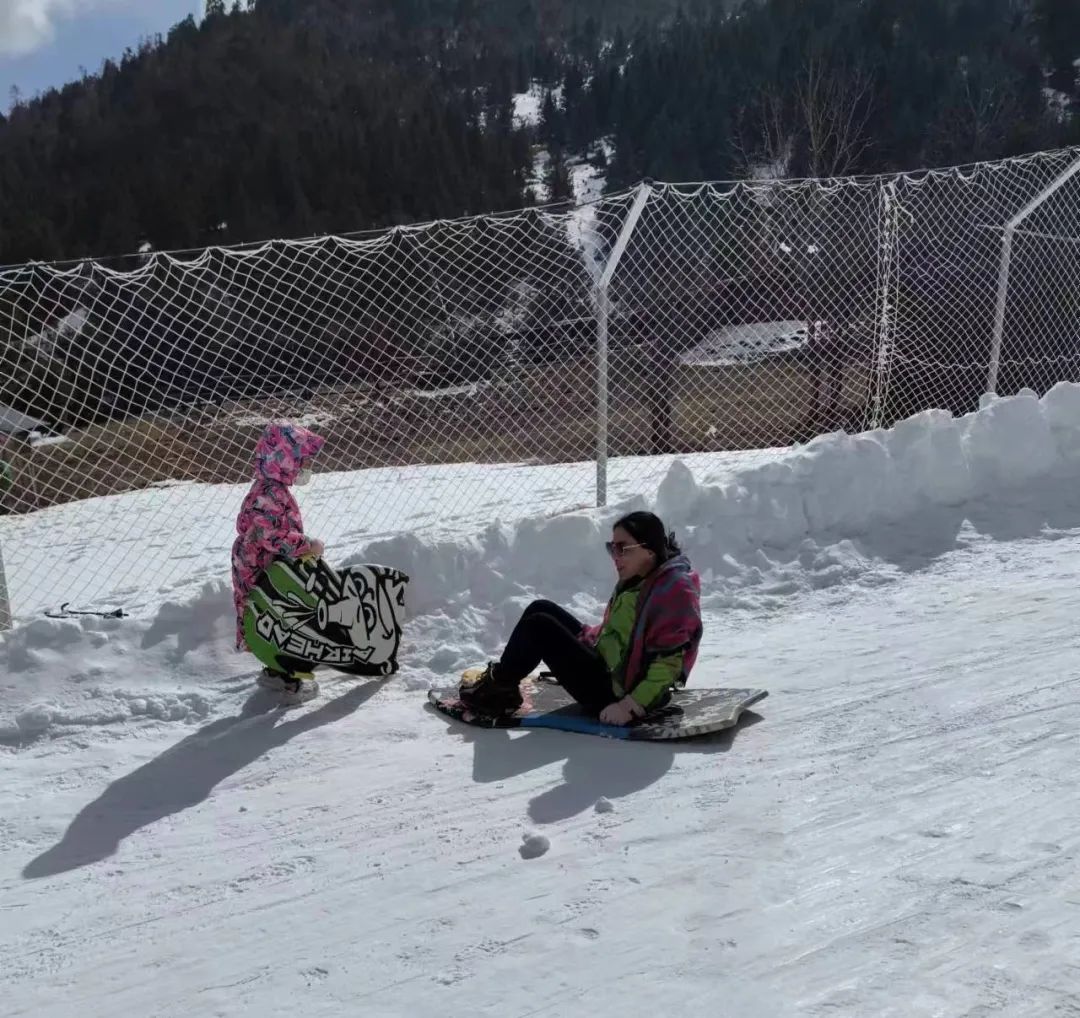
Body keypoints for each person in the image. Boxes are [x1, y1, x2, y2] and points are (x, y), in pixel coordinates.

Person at [459, 511, 702, 726]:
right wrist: (585, 641)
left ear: (649, 550)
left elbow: (669, 663)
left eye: (623, 548)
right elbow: (622, 634)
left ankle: (497, 692)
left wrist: (630, 706)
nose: (615, 556)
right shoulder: (643, 576)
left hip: (616, 693)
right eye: (612, 548)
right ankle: (503, 684)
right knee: (540, 608)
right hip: (608, 668)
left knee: (538, 626)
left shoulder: (673, 591)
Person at [232, 422, 326, 705]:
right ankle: (292, 682)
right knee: (283, 617)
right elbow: (269, 535)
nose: (305, 467)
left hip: (260, 564)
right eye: (302, 461)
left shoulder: (268, 488)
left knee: (267, 617)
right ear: (284, 461)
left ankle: (274, 671)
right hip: (264, 566)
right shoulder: (271, 493)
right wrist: (306, 545)